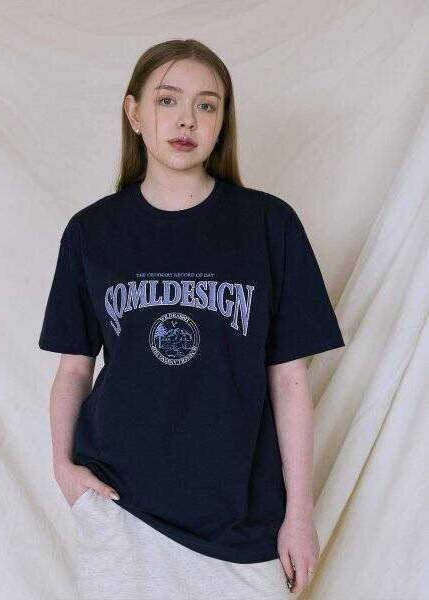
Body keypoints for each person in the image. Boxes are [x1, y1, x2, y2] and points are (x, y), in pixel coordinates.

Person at [38, 39, 346, 600]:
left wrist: (299, 513)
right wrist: (63, 468)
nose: (187, 119)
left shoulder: (269, 225)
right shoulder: (92, 232)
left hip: (241, 515)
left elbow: (290, 380)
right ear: (134, 113)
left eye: (207, 104)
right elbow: (73, 370)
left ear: (222, 121)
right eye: (167, 100)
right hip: (121, 506)